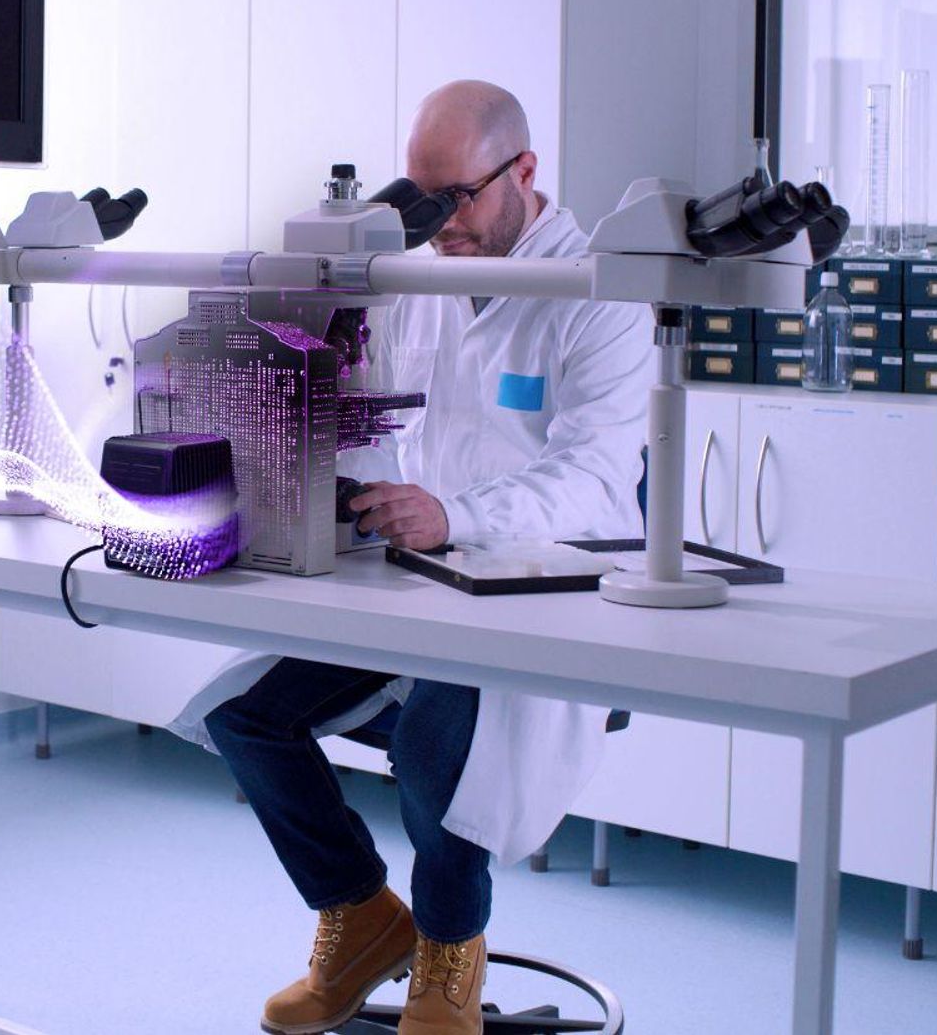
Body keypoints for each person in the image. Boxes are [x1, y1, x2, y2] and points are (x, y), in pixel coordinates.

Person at [168, 80, 655, 1035]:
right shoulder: (425, 273)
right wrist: (323, 468)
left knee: (440, 743)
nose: (440, 224)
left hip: (543, 590)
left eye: (459, 198)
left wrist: (455, 512)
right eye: (420, 198)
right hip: (423, 581)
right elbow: (390, 425)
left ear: (524, 171)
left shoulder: (598, 289)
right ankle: (359, 918)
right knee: (244, 717)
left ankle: (448, 961)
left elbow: (598, 482)